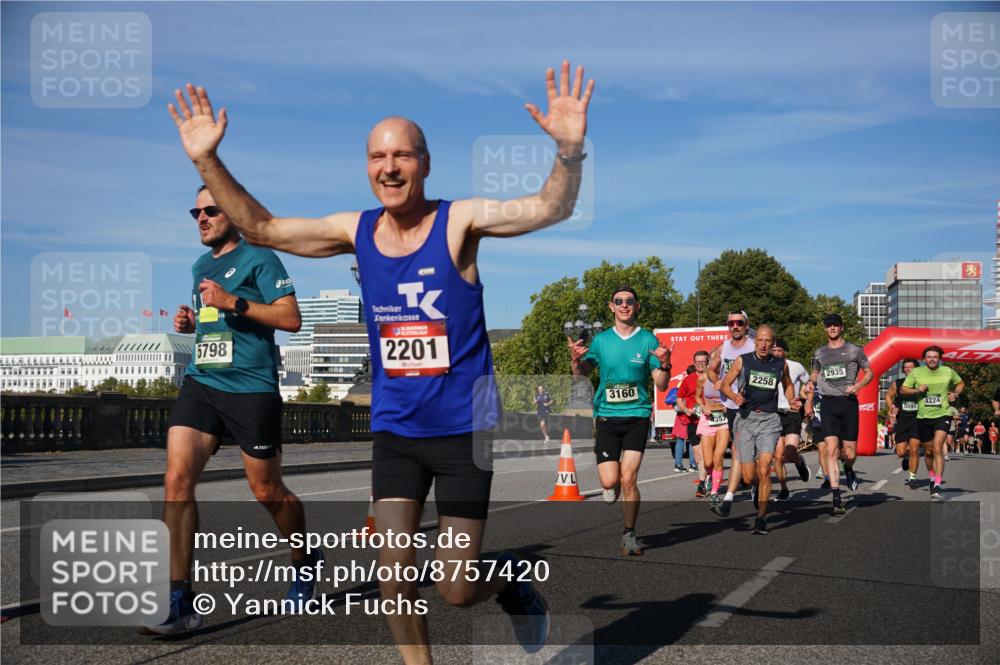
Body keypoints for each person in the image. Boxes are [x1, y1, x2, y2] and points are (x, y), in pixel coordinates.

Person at [168, 60, 595, 662]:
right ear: (367, 167)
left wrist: (569, 150)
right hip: (396, 431)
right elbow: (261, 227)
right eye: (377, 157)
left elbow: (549, 207)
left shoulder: (459, 222)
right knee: (393, 580)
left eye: (402, 155)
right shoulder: (356, 230)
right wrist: (206, 159)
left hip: (463, 432)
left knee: (455, 588)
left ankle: (507, 584)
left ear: (424, 163)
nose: (389, 167)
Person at [144, 186, 312, 635]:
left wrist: (231, 301)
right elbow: (215, 324)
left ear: (233, 214)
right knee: (176, 479)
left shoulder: (261, 258)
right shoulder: (200, 266)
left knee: (267, 490)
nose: (201, 218)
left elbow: (292, 319)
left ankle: (304, 560)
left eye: (211, 210)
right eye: (195, 212)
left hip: (251, 388)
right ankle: (179, 599)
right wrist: (192, 324)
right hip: (203, 382)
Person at [569, 287, 671, 555]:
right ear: (611, 306)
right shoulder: (602, 340)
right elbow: (581, 374)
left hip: (637, 416)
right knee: (609, 481)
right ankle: (610, 485)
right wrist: (575, 359)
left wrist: (665, 364)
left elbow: (661, 385)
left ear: (637, 306)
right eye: (619, 301)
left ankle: (629, 533)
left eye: (629, 301)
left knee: (629, 479)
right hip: (606, 416)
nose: (624, 305)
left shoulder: (648, 339)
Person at [720, 324, 800, 535]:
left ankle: (761, 518)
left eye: (768, 341)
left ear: (773, 343)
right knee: (748, 477)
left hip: (769, 421)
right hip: (746, 420)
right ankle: (757, 486)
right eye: (760, 341)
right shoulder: (743, 360)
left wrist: (792, 400)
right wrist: (734, 396)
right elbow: (724, 384)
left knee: (764, 469)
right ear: (755, 341)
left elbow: (788, 384)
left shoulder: (780, 364)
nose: (764, 345)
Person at [809, 312, 873, 515]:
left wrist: (858, 386)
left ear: (841, 327)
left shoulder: (854, 350)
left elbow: (869, 373)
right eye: (829, 325)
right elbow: (815, 373)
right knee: (831, 450)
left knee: (850, 453)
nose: (832, 328)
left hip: (848, 403)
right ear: (825, 329)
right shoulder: (819, 353)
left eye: (835, 325)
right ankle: (836, 497)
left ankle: (849, 467)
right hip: (828, 403)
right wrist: (809, 384)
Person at [706, 309, 755, 517]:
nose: (735, 326)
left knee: (752, 451)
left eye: (739, 323)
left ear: (746, 325)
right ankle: (729, 497)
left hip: (753, 405)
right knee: (737, 449)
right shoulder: (723, 347)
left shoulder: (755, 346)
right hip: (732, 406)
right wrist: (716, 380)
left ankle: (754, 481)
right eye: (731, 323)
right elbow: (711, 369)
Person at [900, 346, 964, 500]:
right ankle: (931, 477)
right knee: (928, 452)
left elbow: (960, 383)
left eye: (935, 357)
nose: (932, 359)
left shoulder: (947, 371)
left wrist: (955, 394)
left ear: (939, 359)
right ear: (924, 359)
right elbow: (903, 389)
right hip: (923, 417)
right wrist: (917, 390)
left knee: (937, 447)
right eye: (929, 357)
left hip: (943, 414)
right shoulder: (917, 372)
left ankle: (937, 484)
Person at [770, 338, 811, 499]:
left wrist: (808, 401)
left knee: (789, 452)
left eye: (779, 350)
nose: (776, 353)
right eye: (773, 350)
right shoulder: (765, 367)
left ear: (784, 351)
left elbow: (809, 384)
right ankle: (784, 489)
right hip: (774, 414)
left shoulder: (796, 366)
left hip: (792, 413)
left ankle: (799, 461)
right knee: (777, 456)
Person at [885, 358, 922, 487]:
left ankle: (912, 478)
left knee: (914, 449)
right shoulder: (898, 383)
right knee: (901, 452)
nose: (908, 369)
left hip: (918, 420)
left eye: (910, 367)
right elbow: (888, 395)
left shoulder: (922, 383)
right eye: (905, 367)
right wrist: (892, 408)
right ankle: (906, 458)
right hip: (902, 420)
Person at [677, 353, 709, 495]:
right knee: (698, 457)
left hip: (710, 421)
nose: (700, 364)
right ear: (694, 363)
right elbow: (679, 398)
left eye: (703, 362)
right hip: (693, 421)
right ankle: (705, 479)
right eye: (697, 362)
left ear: (708, 362)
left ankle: (702, 484)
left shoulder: (713, 377)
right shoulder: (688, 379)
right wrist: (685, 409)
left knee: (708, 456)